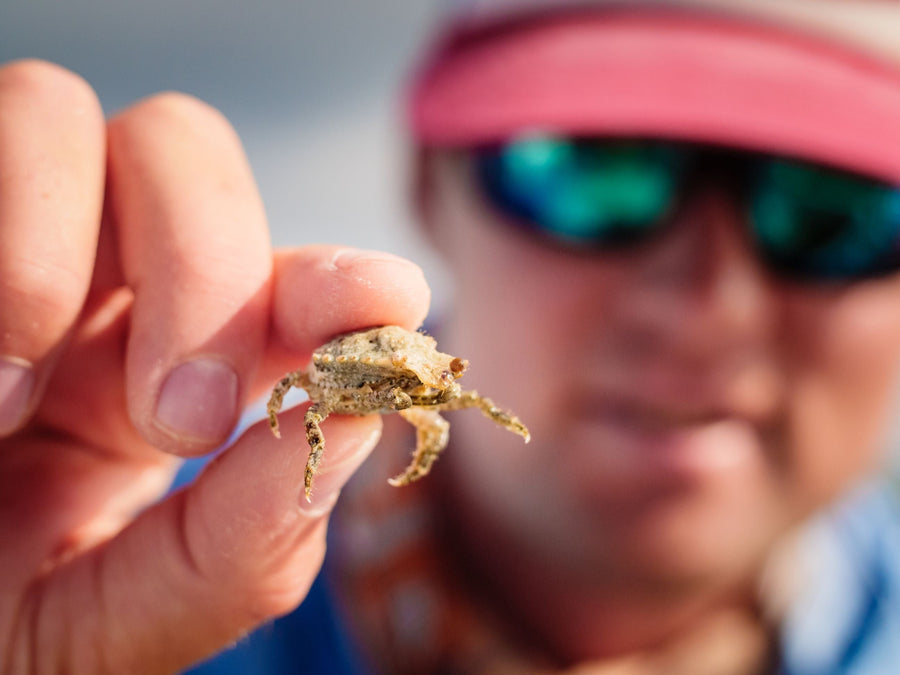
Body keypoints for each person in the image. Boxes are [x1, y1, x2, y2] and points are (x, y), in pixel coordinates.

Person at [3, 0, 900, 673]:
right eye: (597, 170)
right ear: (433, 186)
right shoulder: (100, 541)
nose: (712, 303)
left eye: (838, 211)